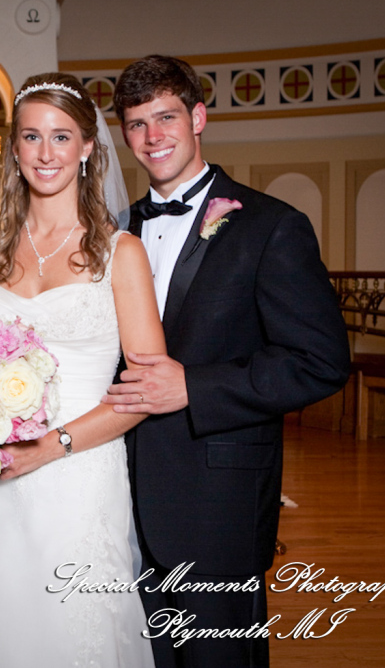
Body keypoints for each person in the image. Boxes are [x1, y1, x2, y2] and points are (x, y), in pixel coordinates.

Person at [107, 55, 351, 668]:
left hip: (218, 496)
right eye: (137, 124)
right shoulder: (114, 231)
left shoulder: (272, 227)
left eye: (166, 118)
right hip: (117, 492)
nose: (152, 137)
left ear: (198, 117)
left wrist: (196, 386)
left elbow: (321, 360)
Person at [0, 73, 162, 667]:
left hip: (80, 475)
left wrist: (53, 445)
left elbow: (145, 391)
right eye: (31, 137)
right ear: (14, 148)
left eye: (61, 137)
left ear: (88, 147)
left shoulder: (121, 253)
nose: (45, 153)